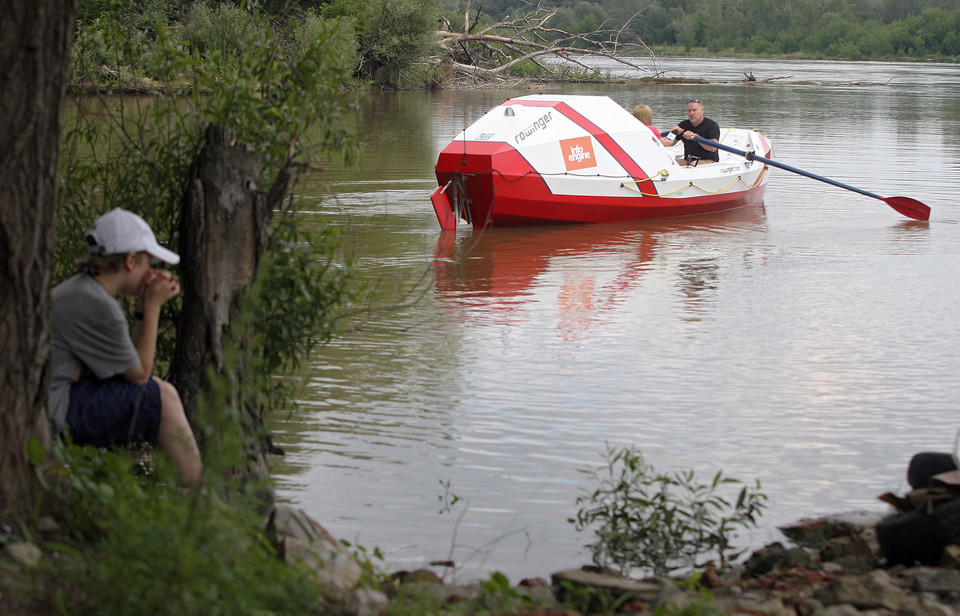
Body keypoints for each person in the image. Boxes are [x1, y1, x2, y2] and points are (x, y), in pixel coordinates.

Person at [49, 208, 202, 484]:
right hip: (54, 413)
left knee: (157, 394)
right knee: (163, 398)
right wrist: (153, 306)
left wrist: (143, 306)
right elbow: (140, 374)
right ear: (131, 261)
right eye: (149, 262)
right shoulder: (97, 303)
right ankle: (198, 498)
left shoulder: (82, 290)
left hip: (49, 404)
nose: (152, 272)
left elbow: (126, 366)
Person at [664, 98, 721, 165]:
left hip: (709, 161)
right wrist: (672, 133)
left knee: (693, 164)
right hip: (688, 160)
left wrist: (695, 137)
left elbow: (713, 148)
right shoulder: (683, 125)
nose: (691, 113)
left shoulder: (712, 125)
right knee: (669, 164)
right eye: (689, 111)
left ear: (702, 110)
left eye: (694, 110)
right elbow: (669, 144)